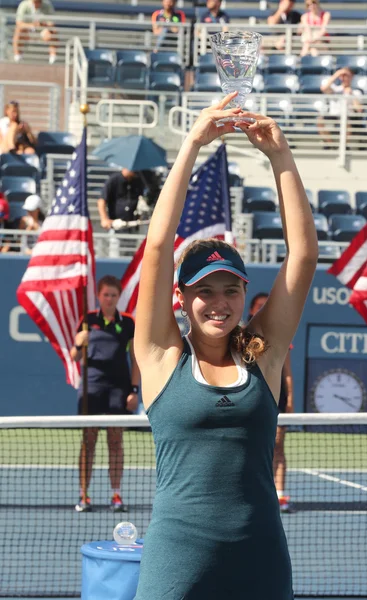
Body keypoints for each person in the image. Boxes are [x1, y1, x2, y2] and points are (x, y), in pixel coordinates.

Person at [132, 92, 318, 600]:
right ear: (181, 296)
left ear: (243, 293)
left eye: (231, 289)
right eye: (204, 291)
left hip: (260, 558)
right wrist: (192, 142)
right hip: (177, 559)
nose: (219, 303)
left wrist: (280, 155)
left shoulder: (262, 352)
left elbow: (302, 257)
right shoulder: (161, 355)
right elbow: (155, 249)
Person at [70, 275, 140, 513]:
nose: (109, 299)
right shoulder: (88, 320)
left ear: (118, 297)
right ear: (99, 296)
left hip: (118, 389)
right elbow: (74, 357)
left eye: (113, 295)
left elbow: (136, 359)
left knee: (116, 441)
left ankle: (116, 494)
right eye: (105, 295)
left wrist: (134, 390)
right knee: (88, 442)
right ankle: (84, 495)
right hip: (92, 388)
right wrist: (79, 343)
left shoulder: (128, 322)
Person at [248, 292, 294, 513]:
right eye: (257, 305)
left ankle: (280, 493)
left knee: (277, 446)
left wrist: (291, 396)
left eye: (264, 305)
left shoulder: (279, 335)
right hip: (252, 396)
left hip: (277, 398)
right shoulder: (242, 335)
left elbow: (287, 371)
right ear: (250, 309)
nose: (261, 309)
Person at [319, 67, 363, 147]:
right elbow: (323, 88)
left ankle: (343, 146)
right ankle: (332, 145)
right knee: (320, 121)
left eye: (346, 75)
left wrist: (351, 95)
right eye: (342, 75)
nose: (344, 78)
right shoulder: (335, 89)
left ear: (351, 77)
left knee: (347, 122)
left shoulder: (356, 92)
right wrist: (337, 74)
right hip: (334, 115)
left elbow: (359, 109)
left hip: (348, 116)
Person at [13, 0, 58, 64]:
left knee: (53, 31)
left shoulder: (47, 5)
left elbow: (51, 22)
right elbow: (19, 23)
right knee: (18, 30)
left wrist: (42, 24)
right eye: (35, 2)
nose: (36, 4)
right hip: (28, 31)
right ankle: (17, 57)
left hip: (43, 31)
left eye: (38, 2)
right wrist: (32, 25)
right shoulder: (24, 5)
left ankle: (53, 58)